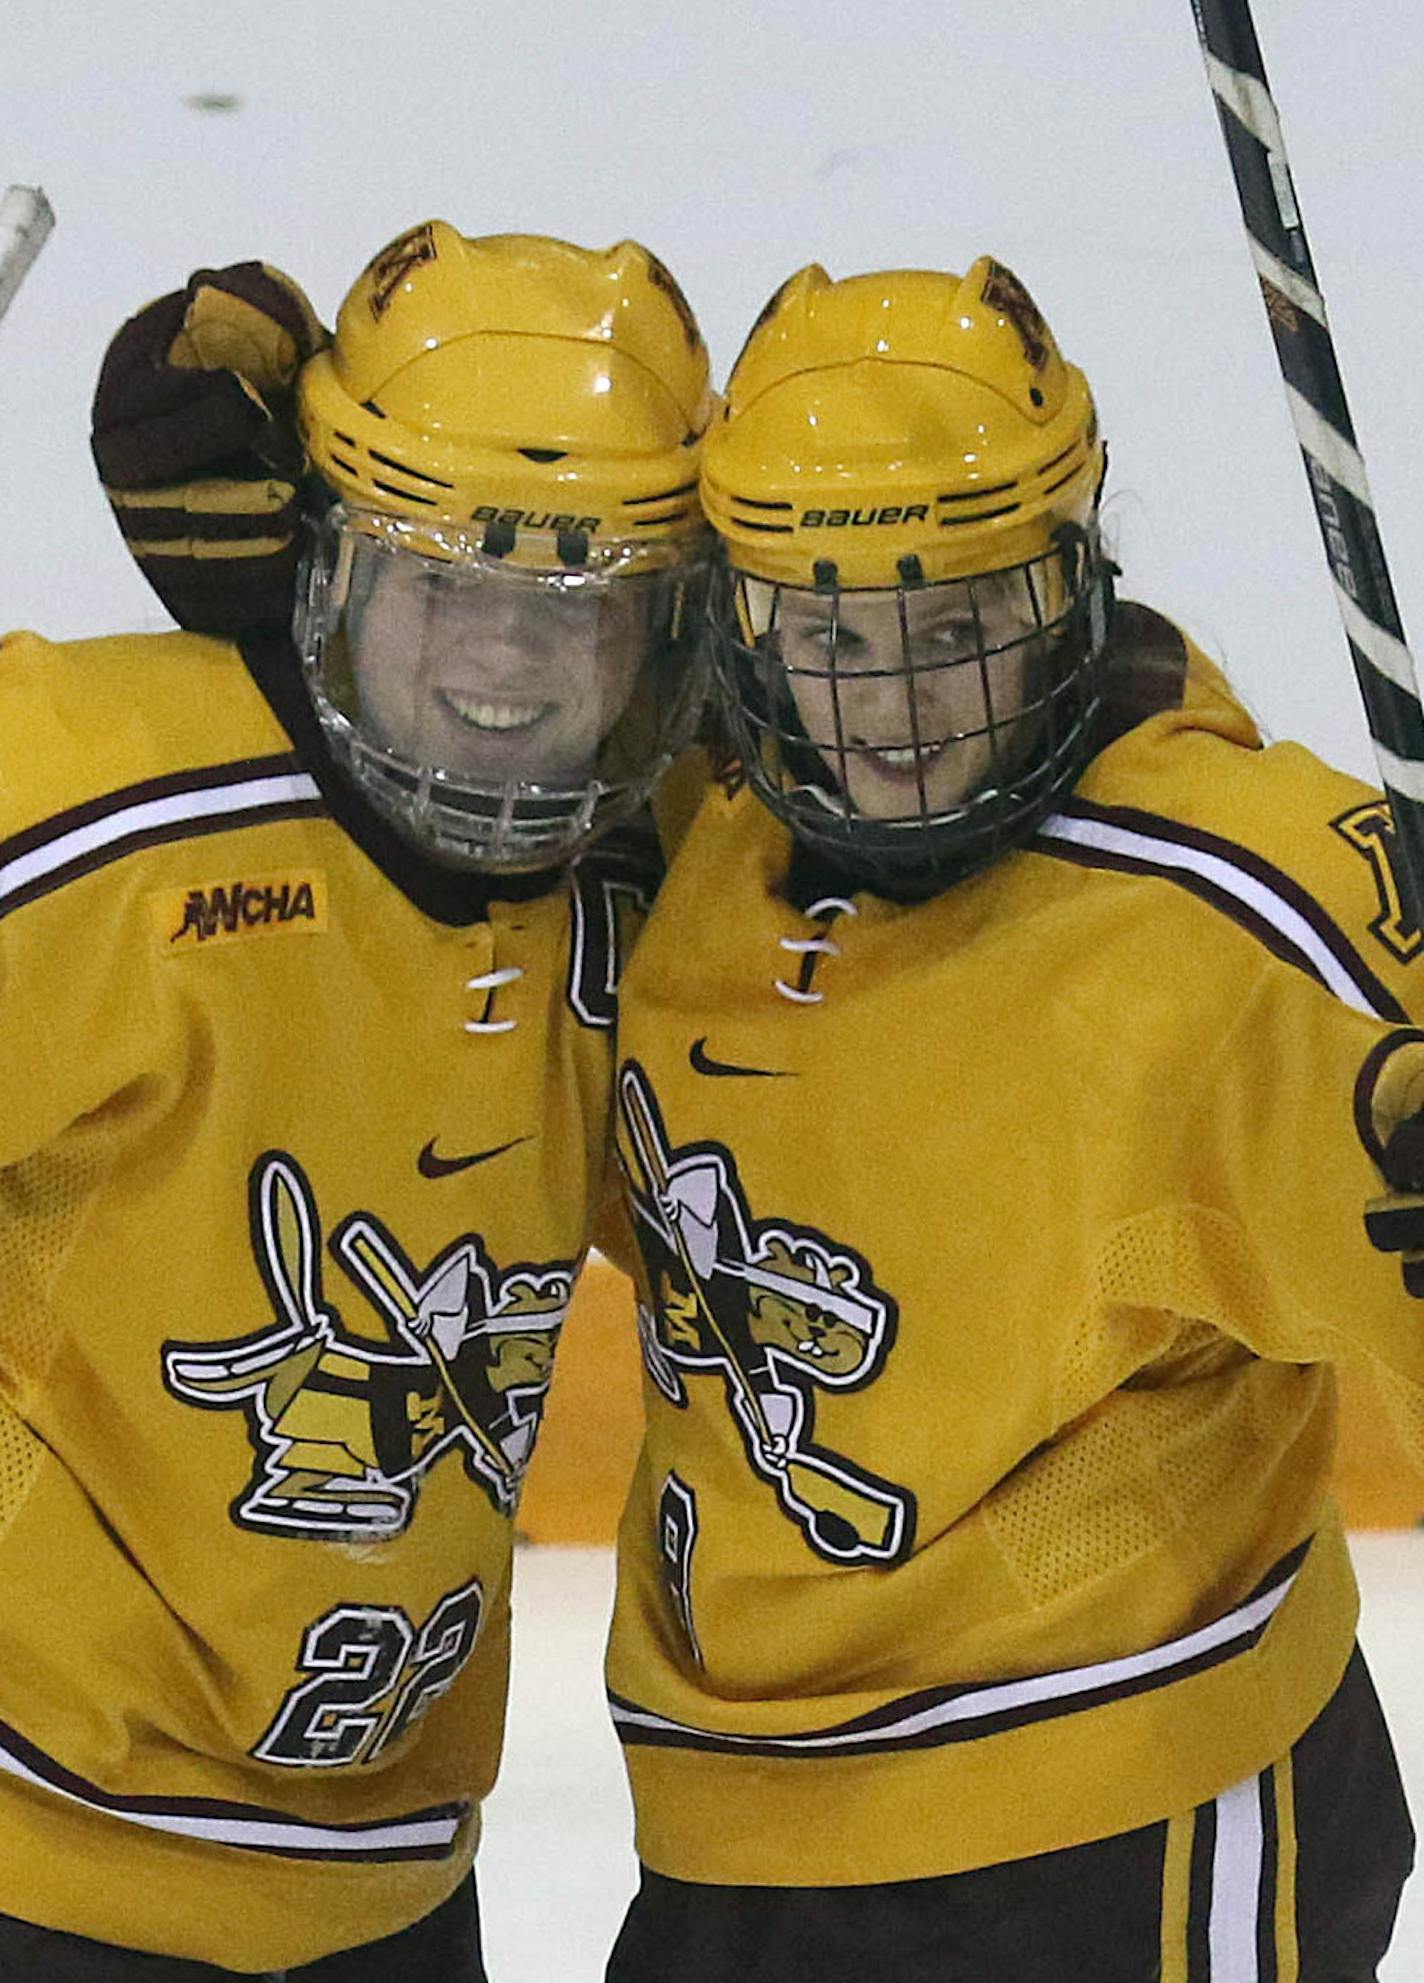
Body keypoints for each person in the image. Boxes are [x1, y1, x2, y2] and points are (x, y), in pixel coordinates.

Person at [600, 256, 1422, 1981]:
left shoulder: (1237, 912)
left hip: (1119, 1818)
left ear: (1070, 583)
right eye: (830, 637)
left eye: (958, 629)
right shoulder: (700, 838)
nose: (897, 712)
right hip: (733, 1824)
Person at [0, 218, 713, 1977]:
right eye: (445, 580)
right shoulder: (97, 809)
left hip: (384, 1880)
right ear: (324, 559)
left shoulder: (672, 880)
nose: (507, 660)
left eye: (583, 600)